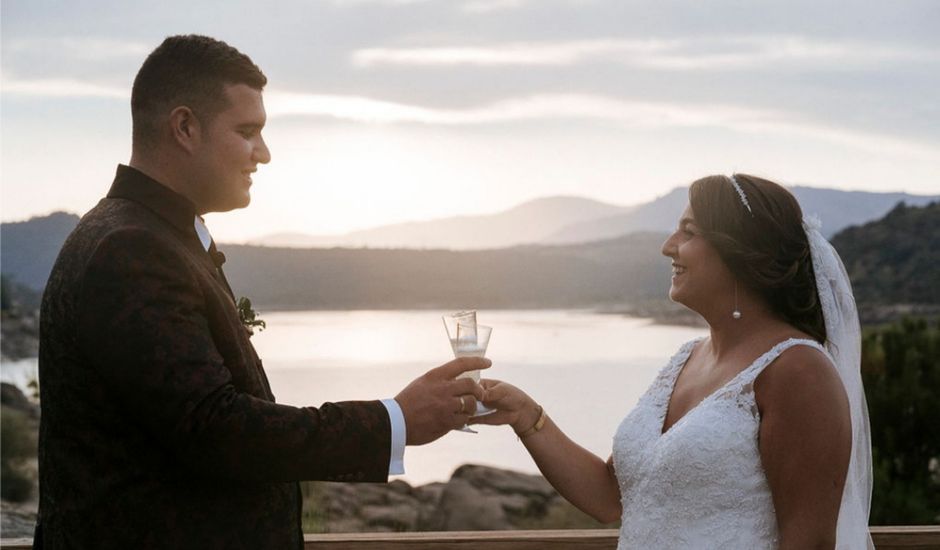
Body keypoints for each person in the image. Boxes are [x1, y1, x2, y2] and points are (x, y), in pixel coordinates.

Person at [35, 34, 487, 549]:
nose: (264, 154)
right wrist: (395, 420)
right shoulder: (131, 249)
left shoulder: (143, 234)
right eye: (248, 131)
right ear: (185, 127)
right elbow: (218, 430)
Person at [474, 174, 873, 549]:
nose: (668, 245)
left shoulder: (798, 371)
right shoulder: (687, 358)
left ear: (740, 251)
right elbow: (610, 497)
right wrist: (527, 416)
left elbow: (811, 544)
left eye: (689, 231)